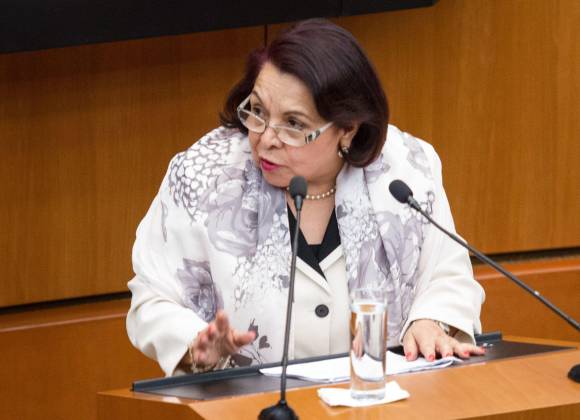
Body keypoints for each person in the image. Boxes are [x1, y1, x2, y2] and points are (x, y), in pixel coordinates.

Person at [126, 19, 485, 376]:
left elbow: (446, 273)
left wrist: (429, 320)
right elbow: (152, 297)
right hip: (245, 403)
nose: (267, 139)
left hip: (381, 399)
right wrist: (194, 343)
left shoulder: (405, 169)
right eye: (258, 112)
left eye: (294, 124)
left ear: (347, 129)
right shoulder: (205, 175)